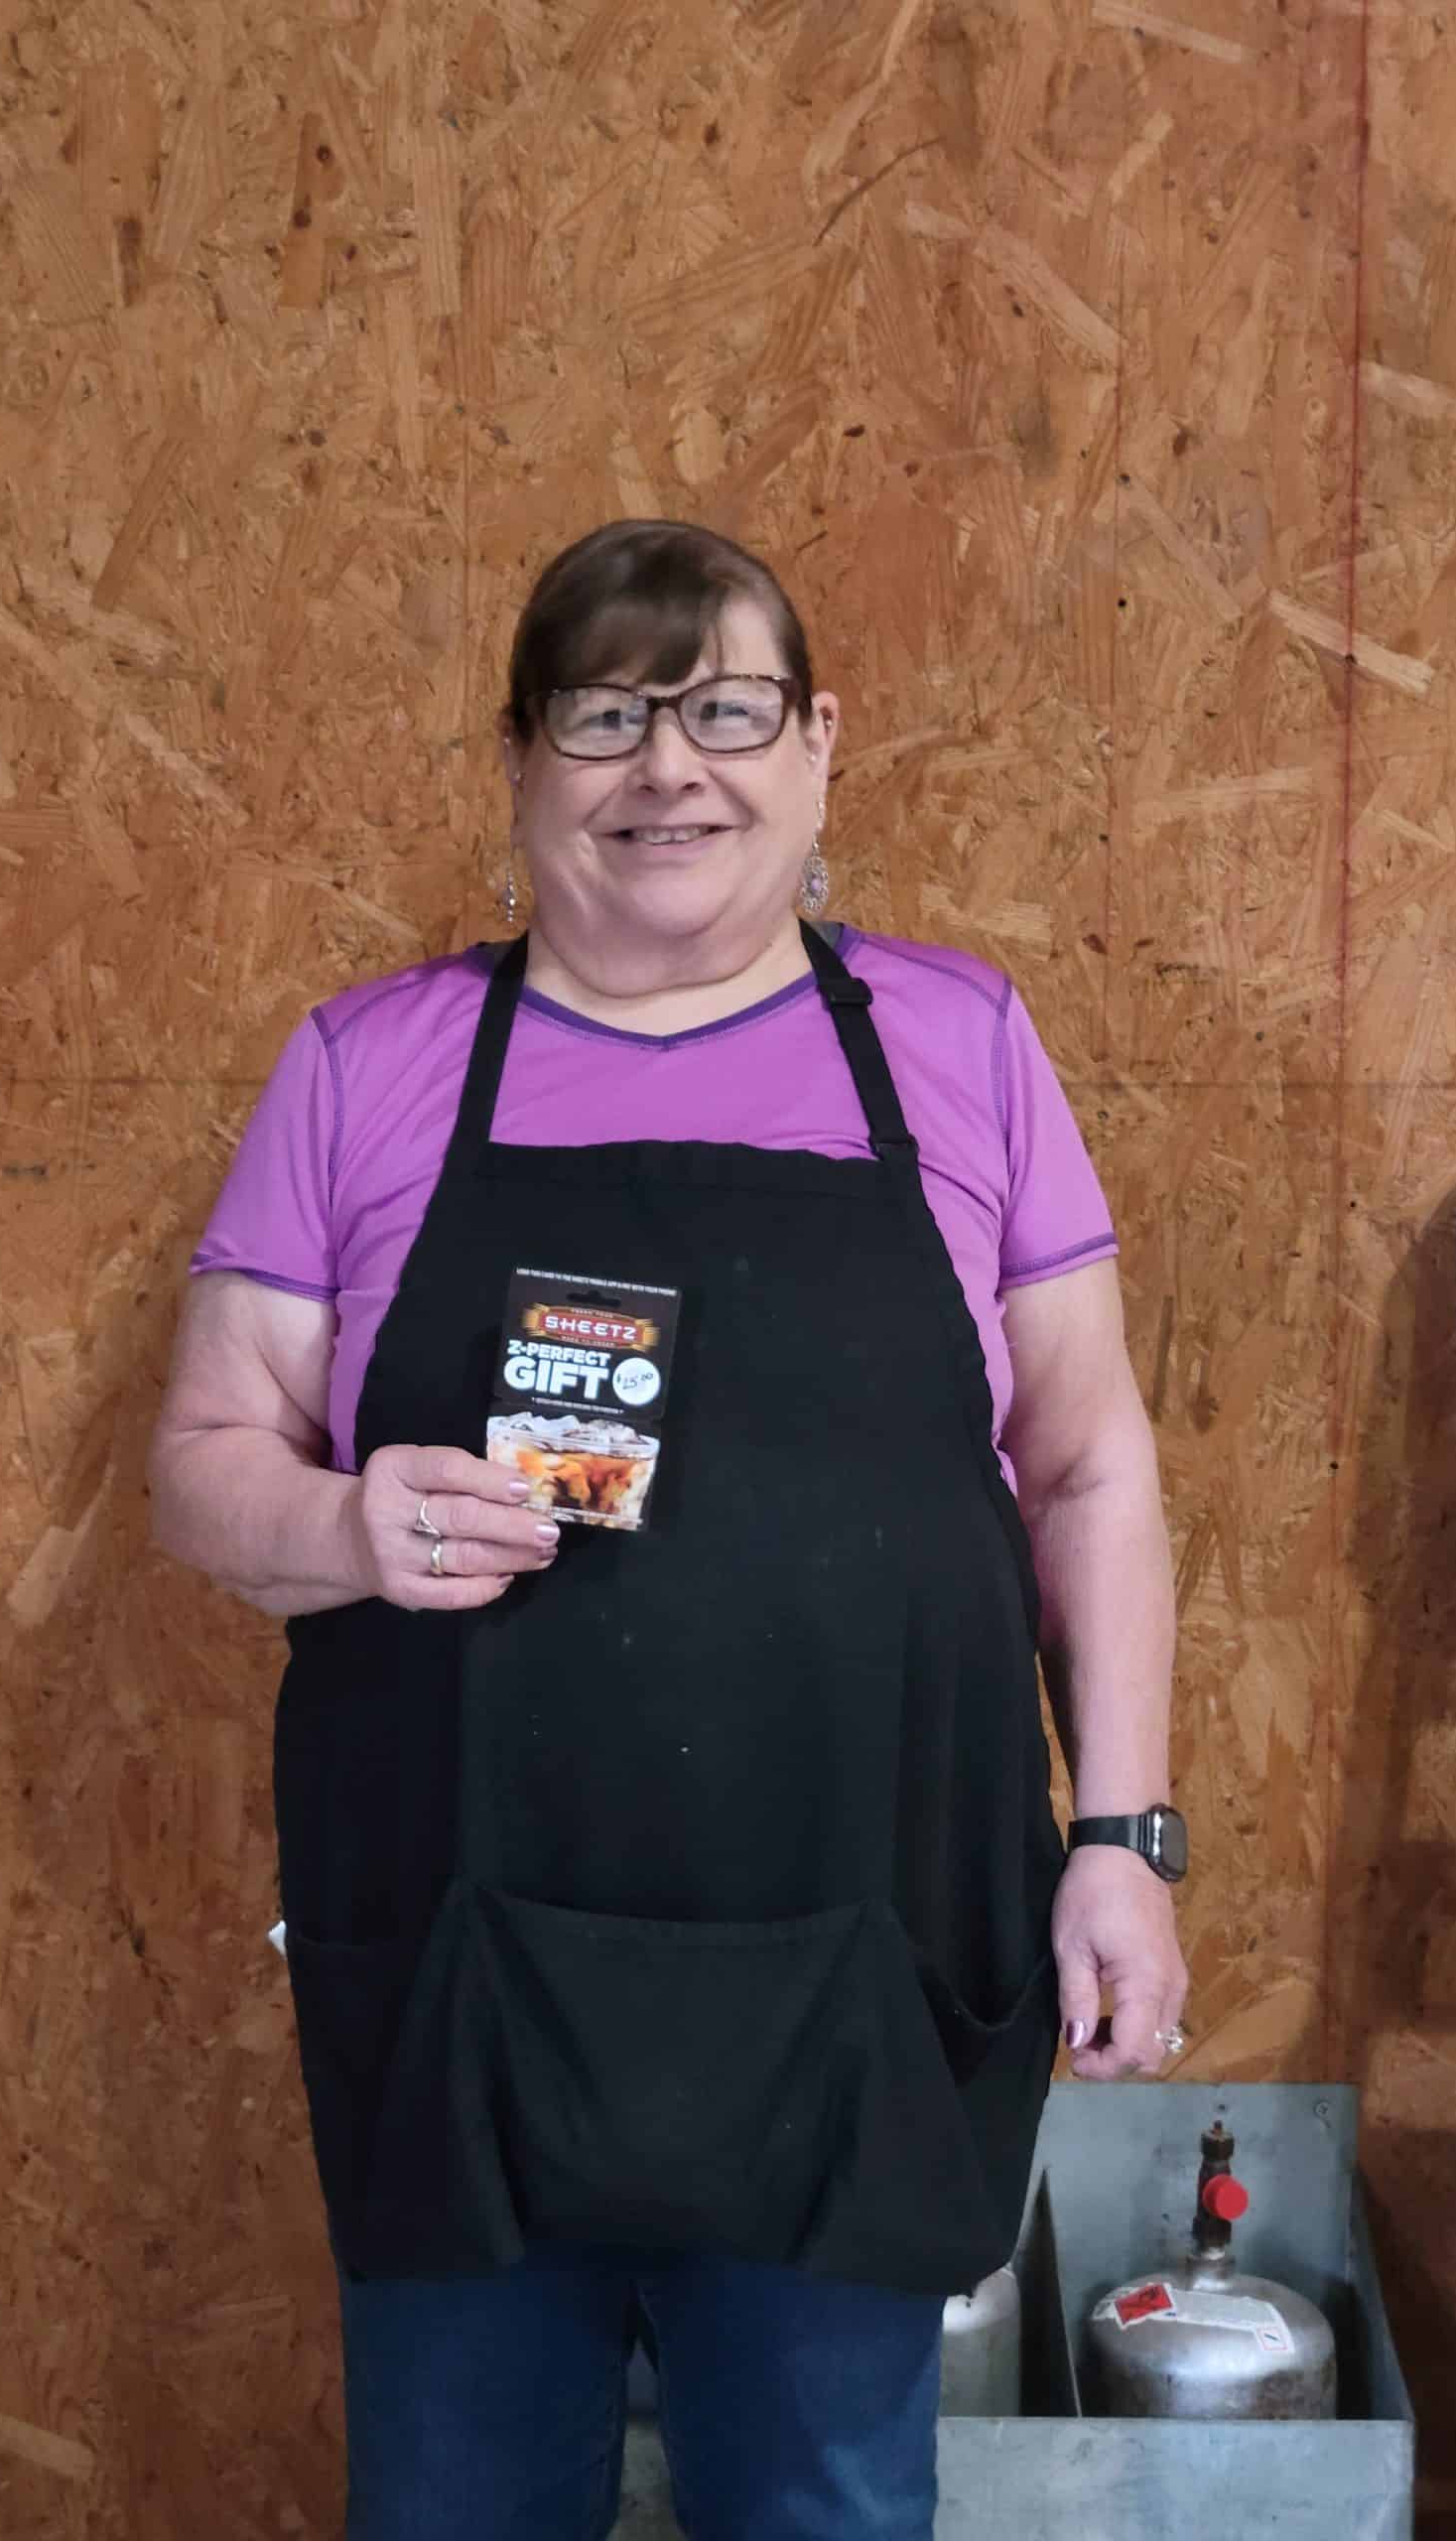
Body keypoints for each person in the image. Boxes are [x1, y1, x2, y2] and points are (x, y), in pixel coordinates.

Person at [148, 519, 1186, 2541]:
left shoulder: (960, 1044)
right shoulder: (370, 1065)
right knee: (458, 2507)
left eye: (726, 711)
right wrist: (347, 1521)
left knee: (826, 2507)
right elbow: (204, 1458)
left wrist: (1122, 1838)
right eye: (607, 717)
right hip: (467, 1972)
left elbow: (1089, 1467)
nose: (669, 770)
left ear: (820, 744)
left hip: (867, 1964)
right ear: (520, 758)